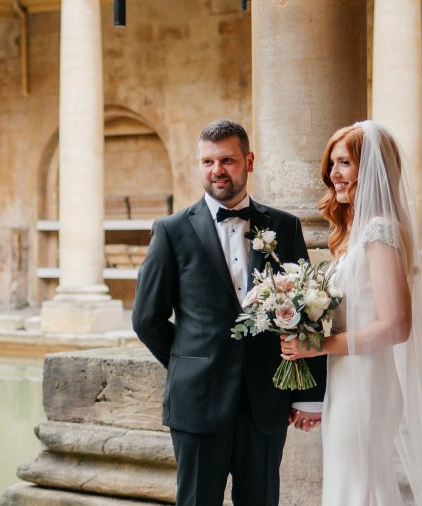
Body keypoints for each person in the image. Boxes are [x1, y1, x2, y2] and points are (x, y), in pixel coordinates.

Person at [132, 119, 328, 506]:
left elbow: (310, 309)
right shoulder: (171, 231)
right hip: (198, 400)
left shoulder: (284, 227)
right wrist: (187, 360)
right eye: (207, 162)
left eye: (227, 160)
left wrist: (310, 396)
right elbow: (146, 318)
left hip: (267, 400)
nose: (216, 170)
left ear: (249, 161)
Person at [280, 121, 422, 505]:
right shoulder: (355, 235)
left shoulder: (380, 233)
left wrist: (316, 346)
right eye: (332, 163)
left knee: (360, 483)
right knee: (354, 479)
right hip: (347, 375)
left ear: (372, 169)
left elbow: (397, 326)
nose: (334, 173)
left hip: (368, 379)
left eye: (345, 162)